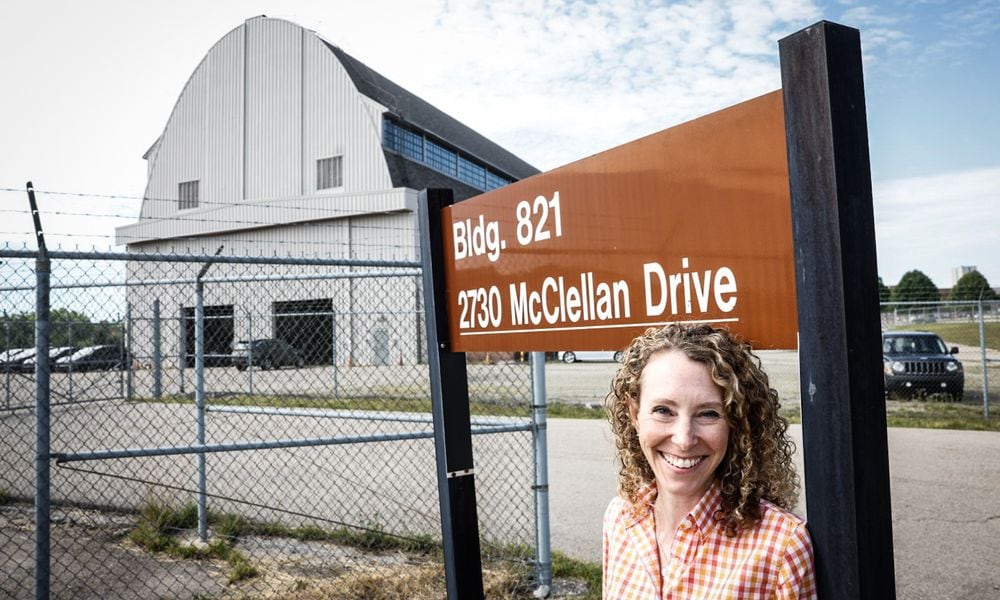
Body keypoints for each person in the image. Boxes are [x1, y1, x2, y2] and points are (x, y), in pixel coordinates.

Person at [602, 323, 816, 599]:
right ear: (634, 414)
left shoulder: (781, 547)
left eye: (708, 414)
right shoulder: (619, 518)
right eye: (663, 410)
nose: (683, 439)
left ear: (735, 423)